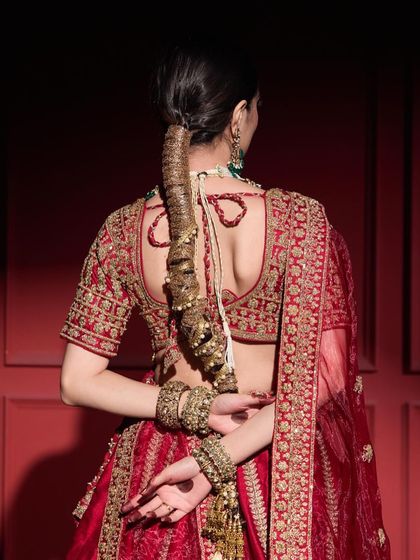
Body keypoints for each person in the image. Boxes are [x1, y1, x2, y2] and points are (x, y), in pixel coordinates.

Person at [59, 33, 391, 560]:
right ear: (238, 116)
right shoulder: (300, 222)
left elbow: (76, 382)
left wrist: (194, 407)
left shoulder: (122, 231)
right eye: (256, 109)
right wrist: (215, 461)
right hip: (272, 456)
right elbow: (325, 380)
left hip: (159, 470)